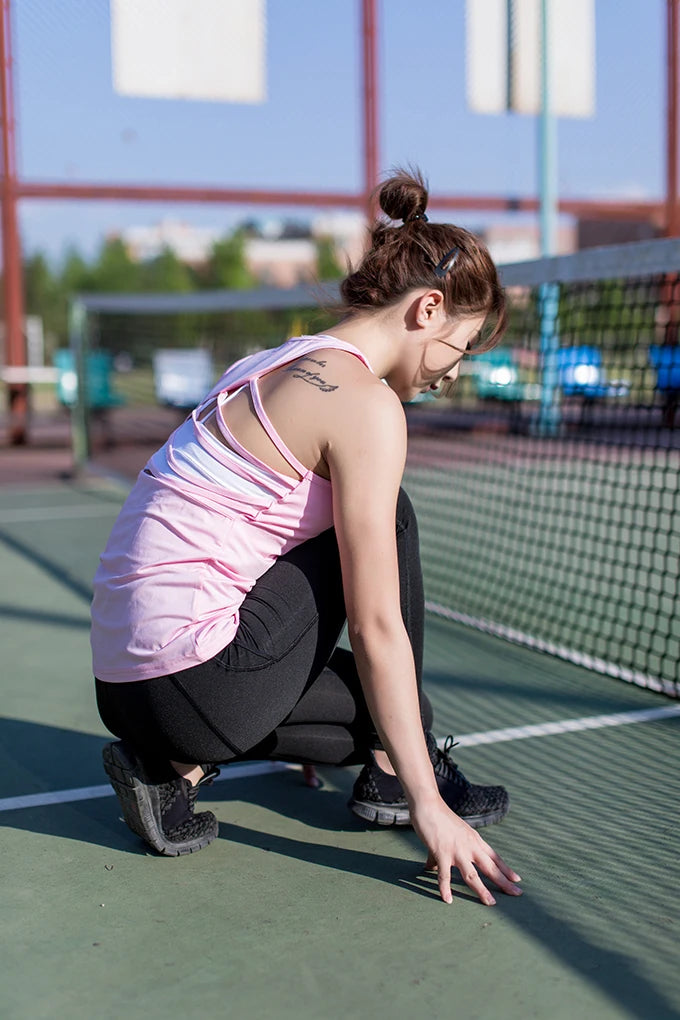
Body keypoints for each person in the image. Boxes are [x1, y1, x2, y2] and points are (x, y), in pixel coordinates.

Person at [92, 168, 522, 907]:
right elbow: (378, 621)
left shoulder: (269, 362)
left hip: (124, 686)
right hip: (196, 684)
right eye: (463, 346)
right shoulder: (366, 404)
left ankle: (170, 774)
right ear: (428, 308)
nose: (453, 373)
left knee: (379, 706)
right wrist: (430, 807)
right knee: (389, 519)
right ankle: (395, 770)